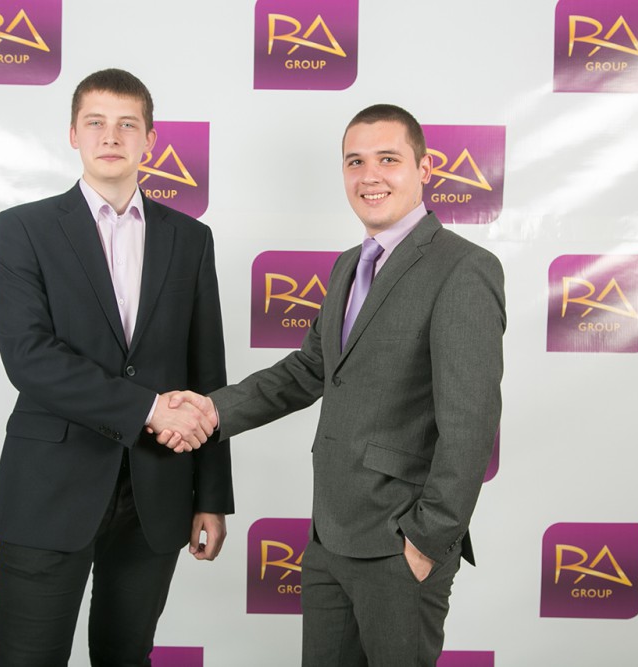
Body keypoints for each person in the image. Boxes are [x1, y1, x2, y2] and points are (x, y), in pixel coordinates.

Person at [161, 104, 505, 666]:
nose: (369, 176)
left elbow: (470, 423)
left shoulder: (463, 269)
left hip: (399, 542)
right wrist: (210, 410)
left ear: (425, 168)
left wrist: (426, 540)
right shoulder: (348, 266)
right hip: (329, 538)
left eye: (388, 159)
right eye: (355, 162)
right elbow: (309, 370)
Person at [0, 68, 234, 667]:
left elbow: (206, 374)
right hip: (49, 486)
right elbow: (28, 356)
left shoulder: (191, 239)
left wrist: (212, 495)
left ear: (150, 138)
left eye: (127, 124)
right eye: (95, 122)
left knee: (127, 657)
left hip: (157, 490)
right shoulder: (24, 228)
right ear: (74, 134)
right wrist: (148, 409)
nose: (111, 136)